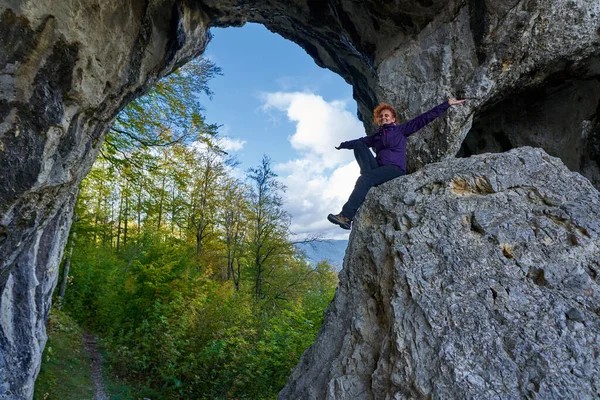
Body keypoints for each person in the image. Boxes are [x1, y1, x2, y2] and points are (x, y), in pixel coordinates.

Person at [327, 97, 466, 230]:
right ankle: (369, 178)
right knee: (359, 145)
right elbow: (358, 142)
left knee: (364, 179)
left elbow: (424, 118)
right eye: (381, 117)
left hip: (395, 169)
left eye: (386, 115)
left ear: (393, 119)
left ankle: (346, 217)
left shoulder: (401, 130)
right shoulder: (377, 137)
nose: (383, 118)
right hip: (379, 169)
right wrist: (342, 145)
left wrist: (447, 104)